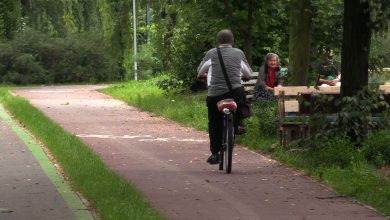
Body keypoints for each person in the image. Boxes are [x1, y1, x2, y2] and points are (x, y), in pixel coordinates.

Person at [197, 29, 253, 165]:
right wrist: (244, 76)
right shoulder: (239, 53)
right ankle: (239, 124)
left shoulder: (211, 53)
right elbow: (248, 73)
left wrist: (202, 76)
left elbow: (200, 71)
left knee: (214, 122)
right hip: (234, 92)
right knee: (241, 98)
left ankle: (215, 153)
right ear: (232, 42)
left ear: (218, 42)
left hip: (215, 94)